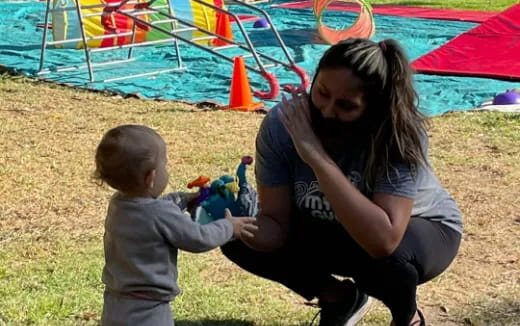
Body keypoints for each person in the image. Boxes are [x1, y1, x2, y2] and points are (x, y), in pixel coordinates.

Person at [221, 38, 462, 326]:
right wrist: (228, 224)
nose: (326, 111)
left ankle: (407, 318)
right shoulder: (283, 124)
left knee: (386, 262)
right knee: (234, 236)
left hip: (419, 230)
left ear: (374, 108)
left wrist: (317, 158)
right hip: (331, 229)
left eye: (346, 106)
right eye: (321, 93)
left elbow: (383, 241)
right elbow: (276, 226)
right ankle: (339, 298)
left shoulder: (396, 134)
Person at [94, 124, 256, 326]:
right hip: (149, 312)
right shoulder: (160, 214)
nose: (166, 169)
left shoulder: (119, 205)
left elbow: (154, 209)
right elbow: (199, 238)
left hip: (115, 305)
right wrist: (229, 226)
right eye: (165, 165)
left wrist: (184, 199)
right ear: (151, 178)